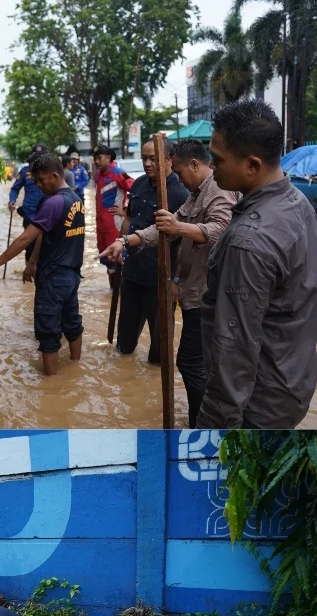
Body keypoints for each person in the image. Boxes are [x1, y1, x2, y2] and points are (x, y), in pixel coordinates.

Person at [99, 139, 237, 427]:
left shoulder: (218, 192)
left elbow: (221, 230)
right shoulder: (195, 194)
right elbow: (163, 229)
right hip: (190, 291)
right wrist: (125, 240)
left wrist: (178, 228)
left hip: (207, 295)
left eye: (178, 170)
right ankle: (201, 421)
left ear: (195, 165)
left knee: (190, 363)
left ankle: (201, 425)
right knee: (196, 364)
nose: (177, 176)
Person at [196, 99, 317, 428]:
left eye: (218, 159)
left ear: (252, 165)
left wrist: (211, 435)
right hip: (293, 384)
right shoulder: (299, 204)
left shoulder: (248, 241)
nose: (211, 165)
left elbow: (233, 349)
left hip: (257, 405)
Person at [0, 152, 85, 376]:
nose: (37, 185)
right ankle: (77, 369)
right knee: (72, 323)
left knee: (48, 333)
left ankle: (51, 386)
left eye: (40, 180)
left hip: (53, 279)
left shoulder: (53, 203)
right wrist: (32, 262)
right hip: (72, 276)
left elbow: (25, 238)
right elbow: (46, 236)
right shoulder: (75, 199)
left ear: (54, 176)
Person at [108, 139, 190, 365]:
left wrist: (175, 280)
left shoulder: (180, 193)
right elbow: (130, 220)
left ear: (169, 159)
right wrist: (121, 245)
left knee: (159, 352)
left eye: (153, 158)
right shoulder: (138, 184)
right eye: (144, 158)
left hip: (161, 279)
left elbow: (185, 244)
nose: (147, 163)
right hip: (133, 273)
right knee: (124, 345)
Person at [93, 146, 134, 290]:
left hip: (114, 223)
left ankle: (123, 292)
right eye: (95, 158)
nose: (96, 161)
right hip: (100, 224)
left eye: (99, 158)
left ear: (109, 158)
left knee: (118, 256)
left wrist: (126, 211)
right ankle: (113, 293)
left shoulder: (118, 173)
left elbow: (135, 189)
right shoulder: (97, 175)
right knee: (106, 258)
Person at [7, 143, 48, 268]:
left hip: (48, 214)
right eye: (34, 156)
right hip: (29, 215)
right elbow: (15, 189)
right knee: (29, 245)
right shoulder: (25, 171)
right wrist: (12, 201)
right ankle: (29, 274)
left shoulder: (51, 172)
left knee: (46, 246)